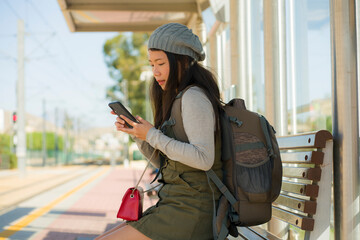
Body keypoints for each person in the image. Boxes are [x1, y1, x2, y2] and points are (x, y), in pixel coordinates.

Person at [96, 22, 223, 240]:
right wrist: (139, 136)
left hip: (193, 212)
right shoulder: (177, 98)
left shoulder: (193, 97)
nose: (155, 71)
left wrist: (153, 135)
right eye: (151, 64)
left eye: (161, 63)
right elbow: (166, 165)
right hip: (176, 205)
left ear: (182, 61)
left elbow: (204, 159)